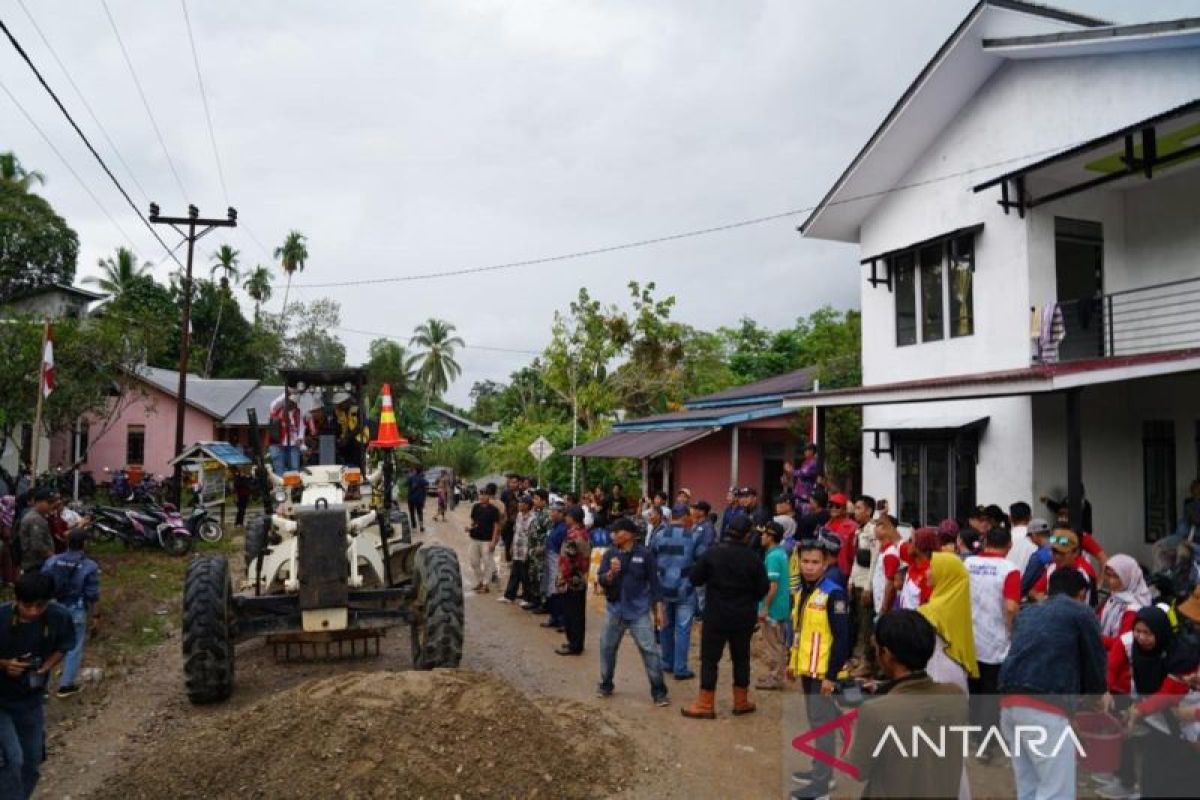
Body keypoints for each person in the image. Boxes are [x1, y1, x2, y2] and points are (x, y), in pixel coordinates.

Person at [999, 568, 1107, 800]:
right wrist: (1097, 696)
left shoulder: (1027, 612)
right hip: (1043, 707)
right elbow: (1095, 660)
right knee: (1056, 791)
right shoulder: (1080, 611)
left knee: (1028, 785)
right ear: (1081, 593)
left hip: (1009, 704)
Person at [845, 611, 969, 800]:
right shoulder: (955, 696)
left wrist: (852, 726)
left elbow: (857, 770)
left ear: (886, 654)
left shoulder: (875, 712)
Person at [681, 515, 768, 720]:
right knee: (741, 658)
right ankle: (741, 702)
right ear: (747, 536)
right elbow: (762, 588)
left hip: (716, 616)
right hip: (743, 617)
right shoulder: (753, 558)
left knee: (710, 660)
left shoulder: (712, 554)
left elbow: (694, 578)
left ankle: (705, 704)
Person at [0, 572, 76, 799]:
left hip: (30, 701)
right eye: (27, 606)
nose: (33, 612)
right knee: (12, 760)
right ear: (16, 599)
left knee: (32, 761)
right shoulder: (1, 617)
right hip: (1, 702)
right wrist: (4, 665)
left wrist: (45, 667)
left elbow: (64, 645)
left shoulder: (59, 617)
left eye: (40, 606)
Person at [786, 530, 849, 798]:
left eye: (815, 562)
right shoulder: (804, 591)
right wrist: (792, 662)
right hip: (808, 670)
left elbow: (843, 637)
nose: (809, 567)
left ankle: (821, 787)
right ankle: (822, 771)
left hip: (824, 673)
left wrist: (831, 676)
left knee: (822, 727)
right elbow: (800, 631)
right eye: (805, 561)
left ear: (825, 564)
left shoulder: (834, 594)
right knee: (818, 722)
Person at [595, 518, 669, 706]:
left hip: (639, 612)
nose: (613, 535)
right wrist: (611, 573)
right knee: (607, 647)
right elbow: (601, 580)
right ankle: (606, 683)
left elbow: (655, 585)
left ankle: (659, 691)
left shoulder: (645, 555)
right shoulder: (609, 554)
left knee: (650, 650)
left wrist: (659, 611)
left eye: (617, 531)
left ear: (628, 534)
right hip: (615, 610)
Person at [964, 526, 1020, 756]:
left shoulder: (968, 564)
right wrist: (1012, 632)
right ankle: (988, 741)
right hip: (996, 640)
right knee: (991, 690)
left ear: (986, 543)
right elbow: (1011, 607)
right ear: (1009, 546)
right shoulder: (1010, 569)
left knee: (974, 687)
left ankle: (975, 731)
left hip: (970, 637)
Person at [39, 531, 99, 698]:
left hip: (53, 607)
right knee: (74, 647)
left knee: (49, 646)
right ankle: (66, 686)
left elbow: (43, 584)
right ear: (84, 544)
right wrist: (96, 617)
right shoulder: (89, 566)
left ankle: (42, 686)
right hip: (77, 609)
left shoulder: (52, 561)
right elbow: (92, 594)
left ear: (67, 542)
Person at [651, 504, 704, 680]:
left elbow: (652, 560)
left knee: (666, 626)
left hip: (664, 589)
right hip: (685, 590)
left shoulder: (658, 535)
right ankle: (680, 668)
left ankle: (667, 662)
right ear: (686, 517)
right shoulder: (694, 536)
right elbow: (702, 560)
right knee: (683, 629)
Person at [918, 552, 979, 693]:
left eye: (932, 569)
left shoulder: (932, 610)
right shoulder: (958, 602)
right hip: (956, 669)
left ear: (945, 574)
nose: (927, 572)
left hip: (939, 671)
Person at [755, 521, 790, 690]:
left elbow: (773, 586)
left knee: (774, 643)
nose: (761, 537)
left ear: (771, 537)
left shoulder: (774, 556)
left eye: (764, 534)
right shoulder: (779, 553)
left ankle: (776, 677)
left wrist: (764, 607)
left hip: (774, 608)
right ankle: (774, 674)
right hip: (780, 606)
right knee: (777, 641)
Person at [847, 495, 878, 670]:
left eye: (859, 508)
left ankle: (866, 662)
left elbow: (873, 559)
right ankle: (857, 657)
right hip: (857, 581)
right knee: (857, 622)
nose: (855, 512)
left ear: (868, 511)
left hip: (866, 583)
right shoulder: (861, 530)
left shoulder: (873, 531)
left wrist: (868, 586)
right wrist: (851, 580)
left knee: (866, 625)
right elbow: (856, 559)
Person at [555, 506, 591, 656]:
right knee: (578, 613)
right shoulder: (584, 533)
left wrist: (562, 578)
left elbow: (568, 561)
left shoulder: (573, 536)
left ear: (573, 518)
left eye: (567, 515)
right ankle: (576, 643)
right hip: (580, 578)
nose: (565, 518)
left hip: (572, 579)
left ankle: (574, 645)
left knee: (572, 614)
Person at [1097, 553, 1151, 649]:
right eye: (1108, 575)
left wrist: (1094, 638)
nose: (1111, 581)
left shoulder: (1134, 608)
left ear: (1129, 577)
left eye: (1116, 577)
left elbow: (1122, 644)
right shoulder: (1113, 598)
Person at [1028, 527, 1096, 603]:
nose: (1056, 556)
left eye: (1061, 553)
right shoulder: (1053, 567)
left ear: (1076, 552)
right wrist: (1038, 596)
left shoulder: (1084, 573)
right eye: (1054, 551)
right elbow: (1032, 592)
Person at [466, 484, 501, 593]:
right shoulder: (475, 507)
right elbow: (474, 522)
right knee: (474, 561)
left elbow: (496, 526)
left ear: (488, 496)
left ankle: (486, 584)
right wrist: (470, 528)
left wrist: (494, 541)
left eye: (484, 495)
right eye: (480, 495)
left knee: (487, 562)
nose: (481, 497)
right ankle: (480, 581)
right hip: (475, 538)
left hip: (487, 540)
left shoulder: (494, 510)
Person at [501, 494, 534, 604]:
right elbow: (516, 532)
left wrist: (529, 552)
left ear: (527, 505)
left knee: (525, 575)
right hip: (516, 549)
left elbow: (531, 537)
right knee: (514, 573)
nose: (519, 505)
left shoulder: (532, 519)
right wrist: (511, 546)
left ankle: (526, 598)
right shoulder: (519, 515)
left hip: (525, 551)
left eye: (522, 503)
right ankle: (509, 596)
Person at [542, 503, 569, 631]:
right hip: (549, 558)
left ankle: (562, 620)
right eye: (551, 511)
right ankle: (553, 617)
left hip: (557, 559)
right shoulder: (554, 526)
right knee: (550, 588)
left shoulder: (564, 529)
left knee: (558, 589)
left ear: (561, 514)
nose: (551, 514)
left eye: (554, 512)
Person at [871, 513, 903, 618]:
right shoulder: (883, 550)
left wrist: (884, 609)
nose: (875, 528)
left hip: (886, 610)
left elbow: (890, 584)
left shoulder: (890, 553)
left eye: (879, 525)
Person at [523, 490, 550, 612]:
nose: (534, 501)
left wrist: (541, 549)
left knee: (540, 577)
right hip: (533, 552)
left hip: (541, 553)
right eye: (534, 499)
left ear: (544, 501)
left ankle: (543, 604)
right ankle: (535, 600)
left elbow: (548, 536)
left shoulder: (547, 515)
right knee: (533, 576)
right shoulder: (537, 513)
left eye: (536, 499)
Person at [16, 489, 55, 574]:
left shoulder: (39, 517)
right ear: (38, 502)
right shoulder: (35, 519)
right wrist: (53, 557)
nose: (51, 505)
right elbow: (38, 545)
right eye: (49, 502)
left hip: (37, 563)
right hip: (35, 564)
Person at [267, 392, 303, 475]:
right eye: (291, 401)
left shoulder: (297, 412)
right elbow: (275, 402)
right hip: (277, 444)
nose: (292, 404)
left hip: (293, 445)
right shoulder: (276, 409)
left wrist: (300, 438)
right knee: (279, 470)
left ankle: (293, 486)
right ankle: (282, 486)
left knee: (294, 468)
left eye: (294, 402)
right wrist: (288, 392)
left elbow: (301, 427)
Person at [1006, 502, 1038, 573]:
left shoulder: (1003, 538)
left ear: (1010, 518)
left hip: (1007, 581)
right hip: (1030, 582)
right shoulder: (1037, 539)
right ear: (1030, 518)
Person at [405, 468, 429, 534]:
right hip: (419, 499)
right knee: (420, 512)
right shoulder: (422, 479)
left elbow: (405, 484)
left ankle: (414, 527)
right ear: (420, 472)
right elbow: (427, 483)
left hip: (411, 499)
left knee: (412, 513)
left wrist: (409, 476)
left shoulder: (411, 478)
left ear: (415, 471)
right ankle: (421, 527)